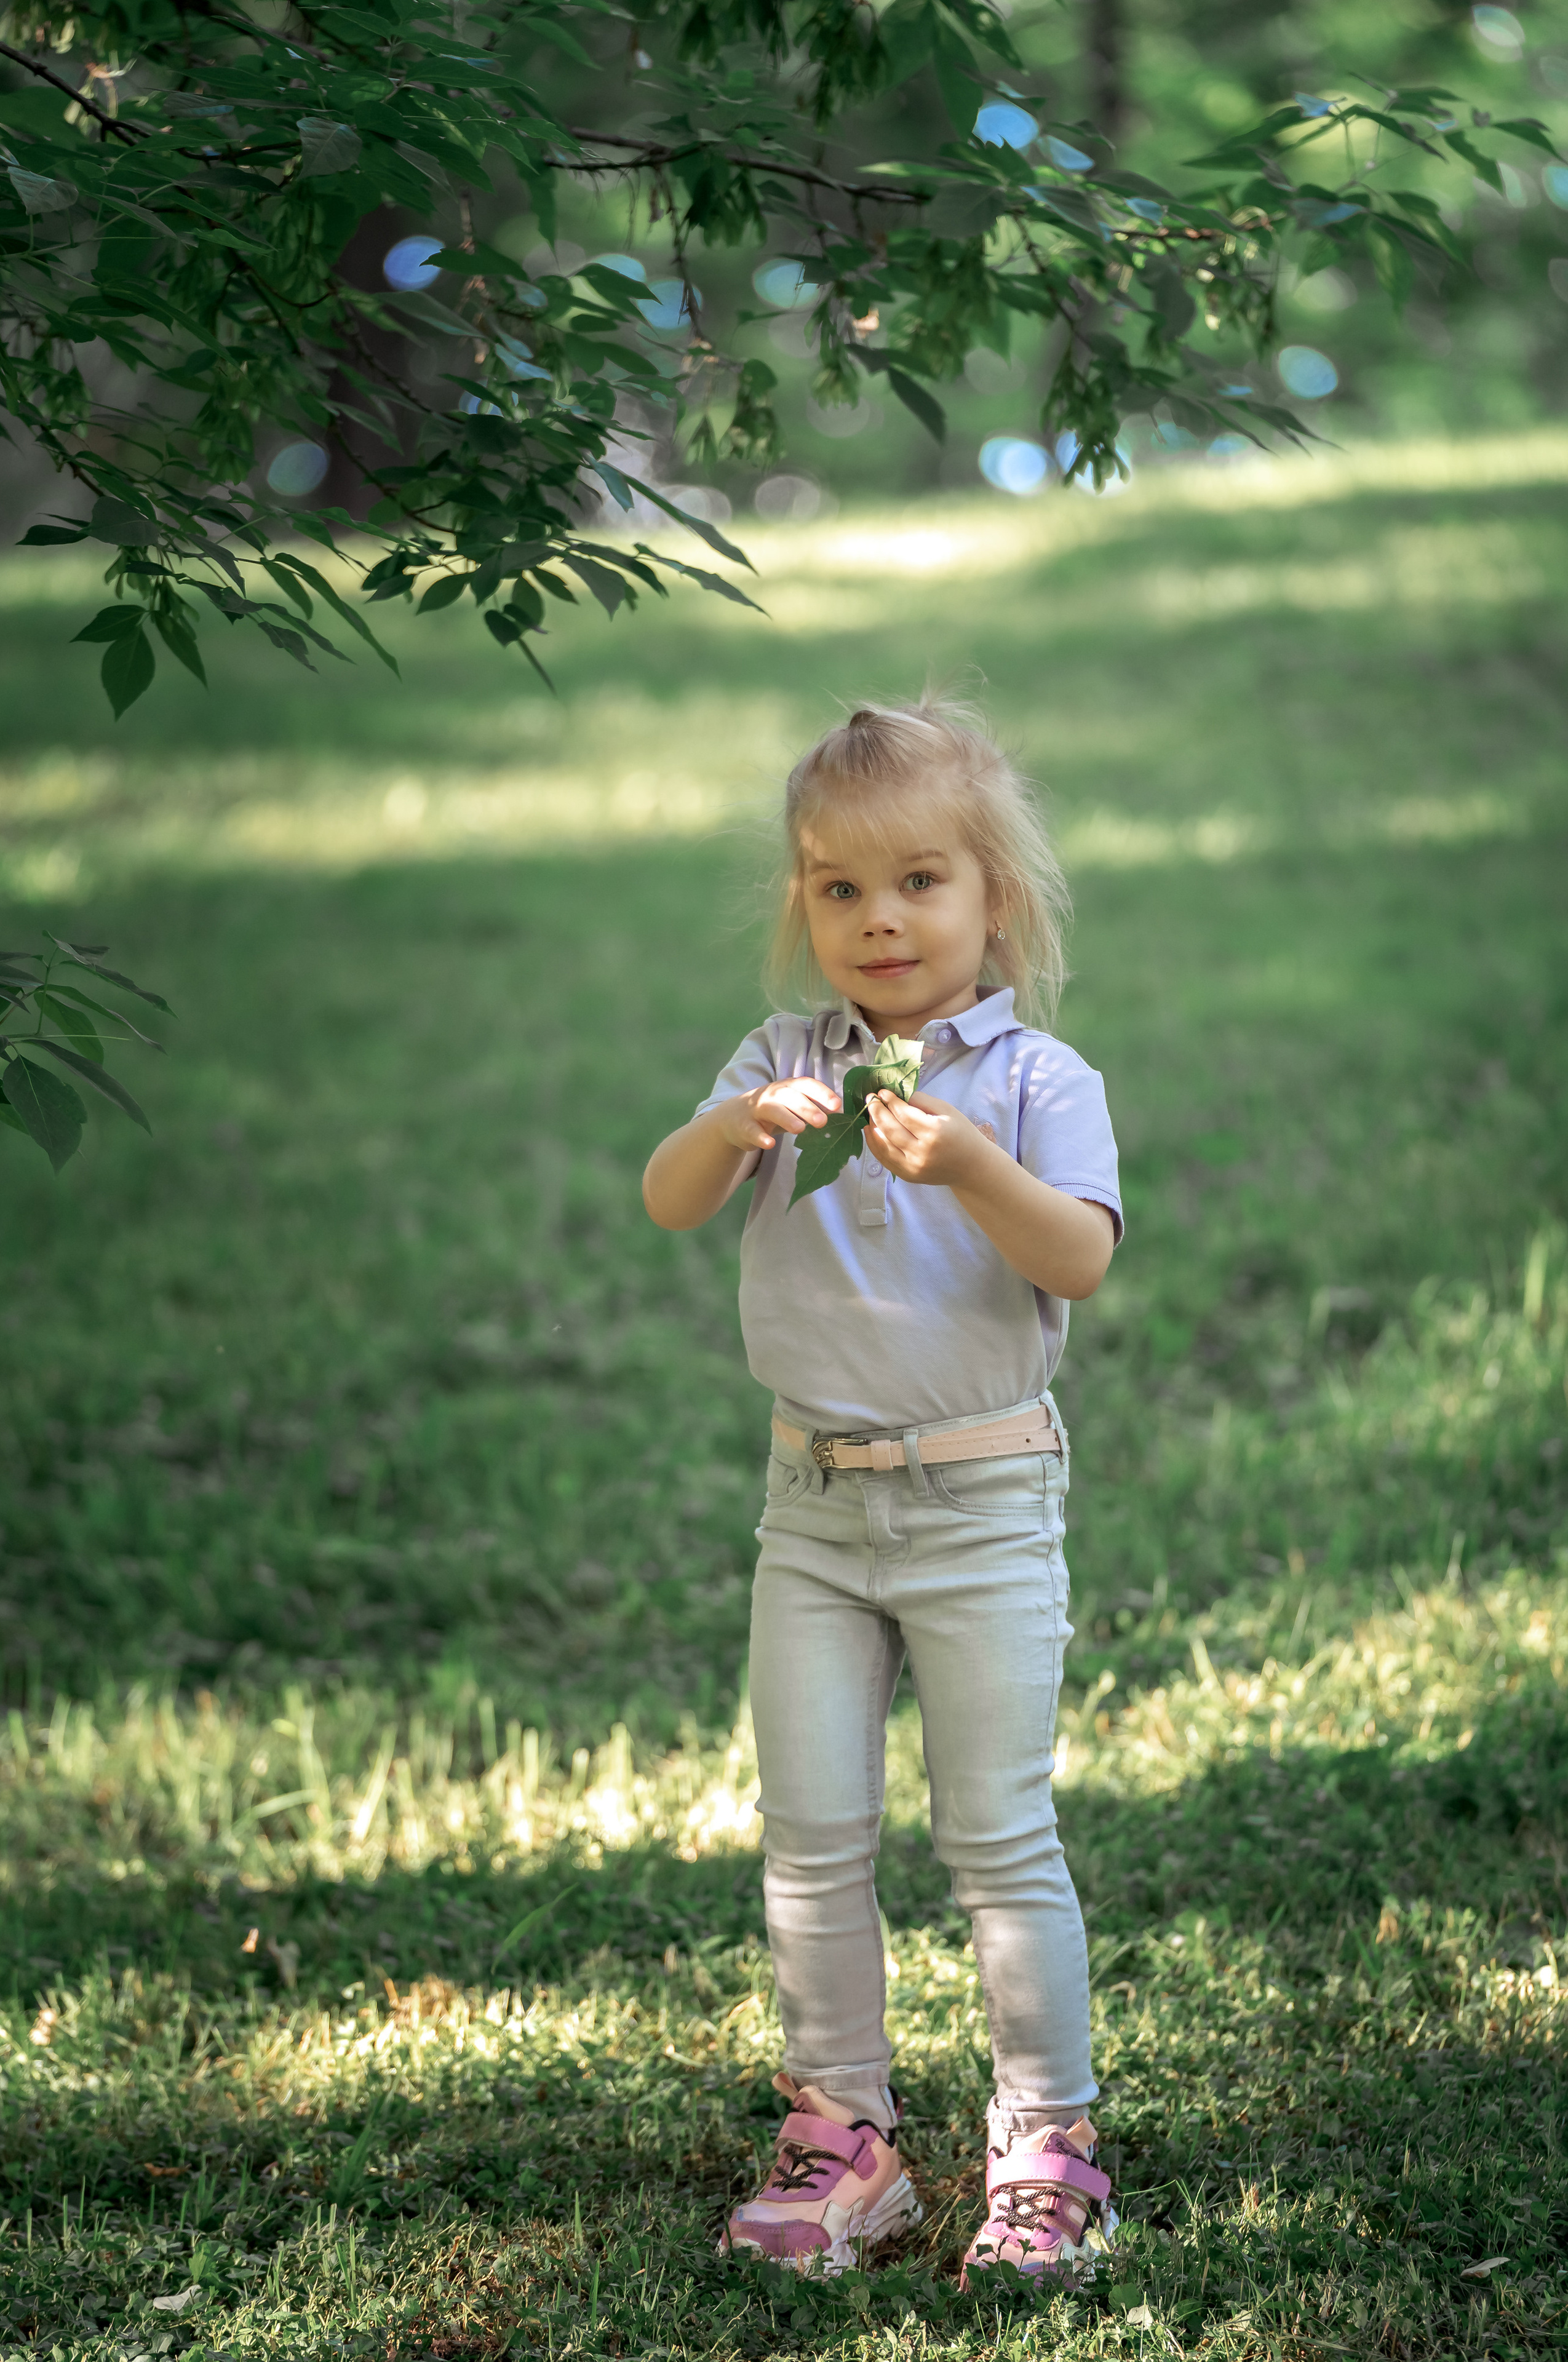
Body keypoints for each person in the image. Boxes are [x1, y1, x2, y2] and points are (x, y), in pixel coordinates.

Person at [642, 698, 1123, 2286]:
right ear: (803, 907)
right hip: (815, 1516)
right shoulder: (783, 1061)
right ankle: (841, 2136)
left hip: (982, 1509)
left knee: (997, 1836)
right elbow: (667, 1202)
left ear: (996, 901)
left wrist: (973, 1166)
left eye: (919, 881)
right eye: (838, 890)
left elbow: (1082, 1259)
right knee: (810, 1835)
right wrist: (733, 1126)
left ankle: (1050, 2144)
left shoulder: (1040, 1076)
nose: (881, 919)